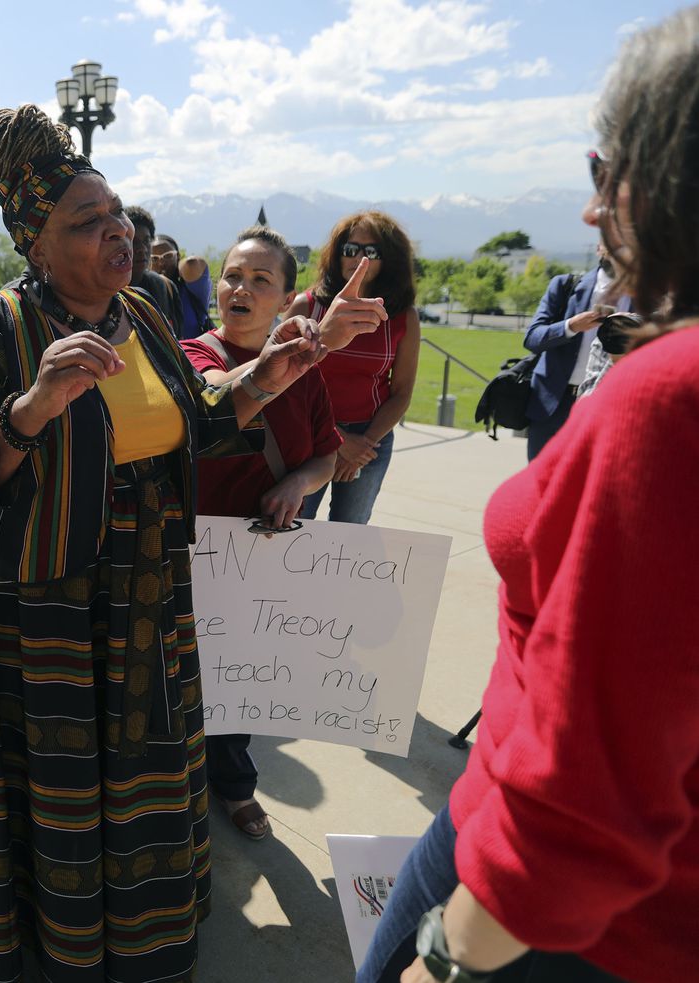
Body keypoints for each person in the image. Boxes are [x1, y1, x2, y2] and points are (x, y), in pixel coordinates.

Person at [0, 103, 343, 983]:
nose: (116, 235)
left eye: (116, 216)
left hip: (147, 593)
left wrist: (265, 377)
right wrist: (31, 410)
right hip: (39, 612)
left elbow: (197, 419)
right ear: (36, 243)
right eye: (86, 223)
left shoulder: (140, 314)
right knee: (46, 787)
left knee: (142, 766)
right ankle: (30, 939)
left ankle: (136, 937)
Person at [359, 10, 699, 982]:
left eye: (606, 173)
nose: (590, 213)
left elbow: (585, 787)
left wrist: (451, 959)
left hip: (573, 925)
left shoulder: (667, 399)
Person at [181, 225, 341, 842]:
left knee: (241, 682)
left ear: (286, 300)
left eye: (260, 280)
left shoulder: (308, 371)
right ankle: (177, 788)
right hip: (189, 555)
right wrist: (271, 366)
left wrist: (299, 482)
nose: (240, 289)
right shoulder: (188, 354)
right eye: (232, 276)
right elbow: (206, 400)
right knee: (184, 681)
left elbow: (329, 455)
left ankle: (234, 785)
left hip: (264, 561)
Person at [287, 210, 418, 525]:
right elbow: (287, 384)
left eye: (370, 251)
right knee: (289, 527)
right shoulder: (309, 307)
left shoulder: (403, 319)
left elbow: (401, 392)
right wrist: (339, 440)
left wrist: (362, 444)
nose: (358, 258)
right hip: (310, 436)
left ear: (390, 260)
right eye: (350, 249)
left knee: (350, 539)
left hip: (369, 443)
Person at [522, 245, 633, 460]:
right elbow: (532, 338)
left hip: (609, 407)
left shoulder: (647, 297)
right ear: (601, 248)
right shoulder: (565, 285)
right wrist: (571, 326)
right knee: (542, 483)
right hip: (554, 404)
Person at [126, 204, 184, 334]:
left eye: (146, 241)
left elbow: (178, 339)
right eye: (134, 242)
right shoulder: (109, 291)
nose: (142, 249)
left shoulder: (165, 286)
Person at [154, 233, 214, 337]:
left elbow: (192, 263)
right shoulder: (141, 293)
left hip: (192, 352)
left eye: (168, 256)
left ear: (178, 257)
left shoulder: (192, 288)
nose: (161, 263)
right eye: (154, 258)